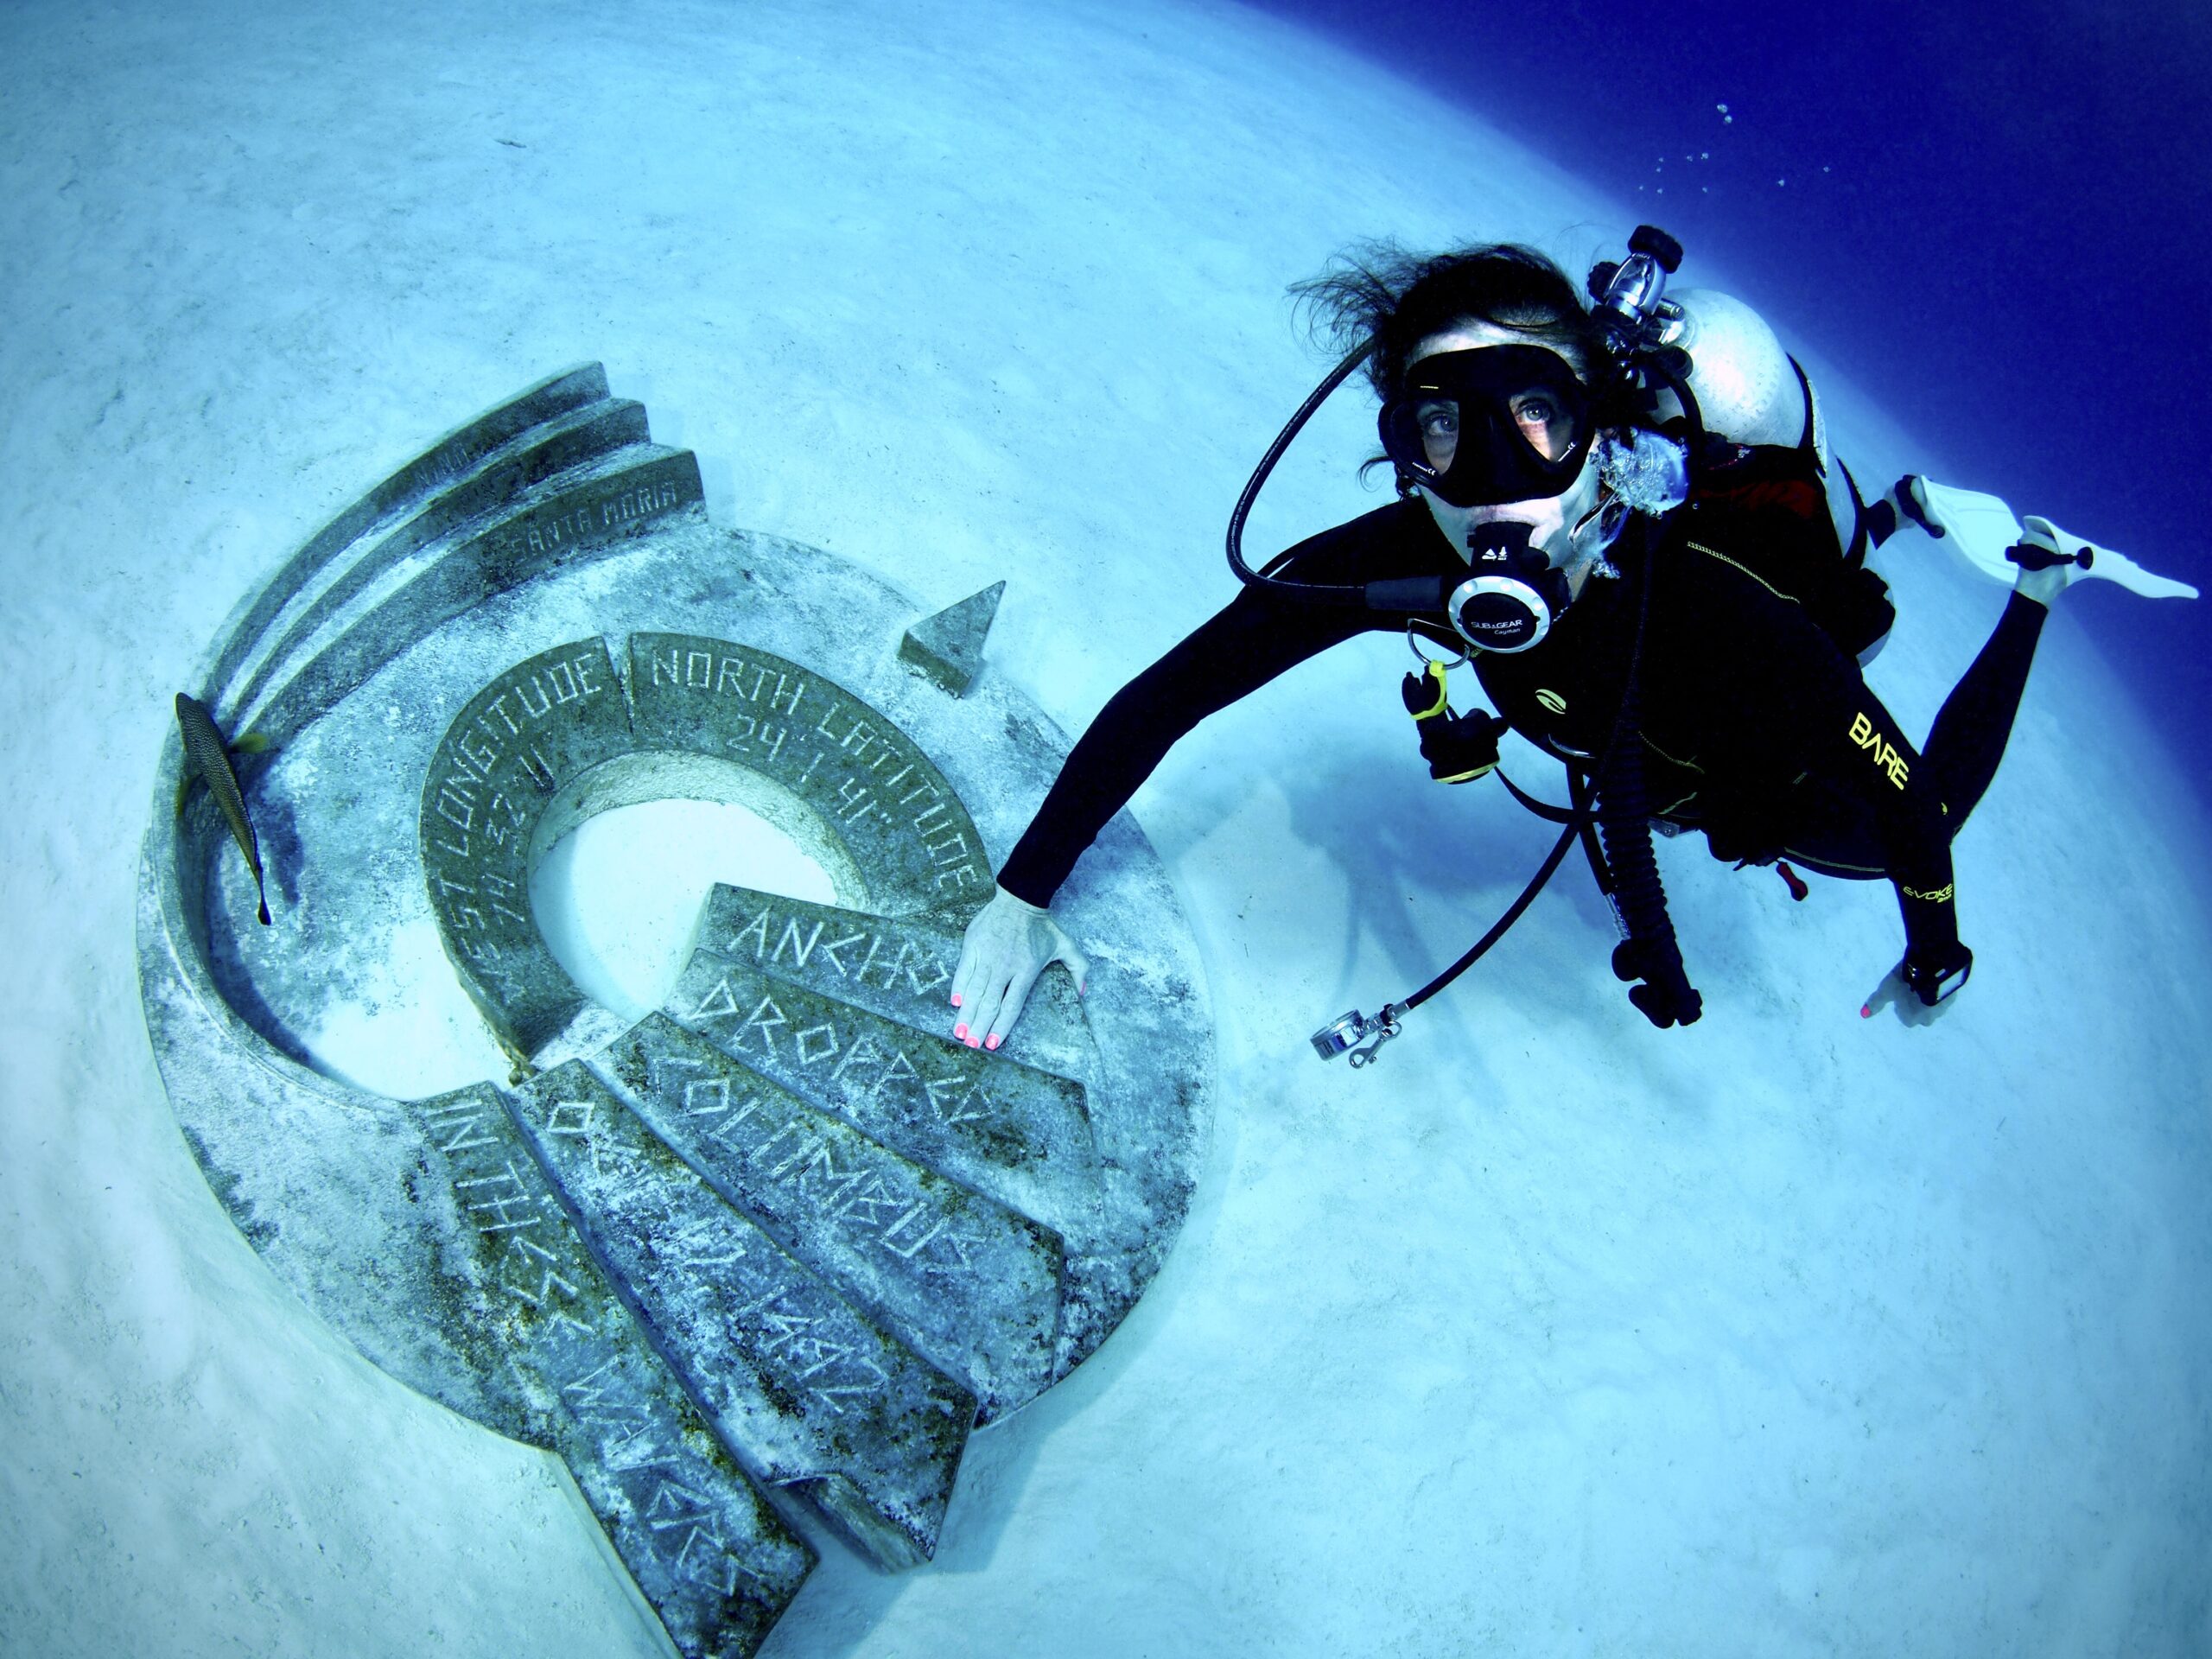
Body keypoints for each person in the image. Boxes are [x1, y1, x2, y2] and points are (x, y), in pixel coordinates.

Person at [944, 239, 2168, 1050]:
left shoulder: (1729, 620)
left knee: (1929, 809)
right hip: (1632, 761)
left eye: (1536, 418)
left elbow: (1912, 807)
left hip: (1757, 778)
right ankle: (1896, 517)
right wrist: (1021, 892)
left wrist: (1937, 955)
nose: (1490, 487)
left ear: (1604, 443)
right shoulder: (1397, 558)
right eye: (1440, 429)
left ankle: (2039, 589)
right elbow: (1178, 690)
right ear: (1401, 451)